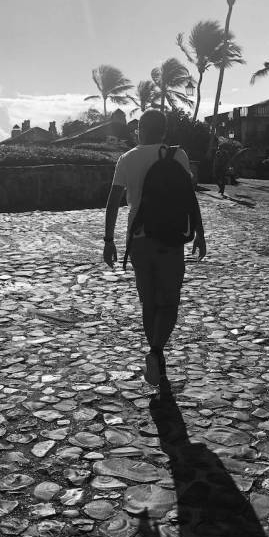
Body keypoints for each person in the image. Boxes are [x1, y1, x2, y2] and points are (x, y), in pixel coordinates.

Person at [103, 109, 207, 386]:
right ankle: (156, 352)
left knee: (148, 302)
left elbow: (112, 202)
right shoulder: (177, 155)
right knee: (169, 302)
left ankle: (155, 357)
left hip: (138, 239)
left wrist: (108, 241)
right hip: (170, 237)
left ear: (140, 129)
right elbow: (189, 196)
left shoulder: (127, 159)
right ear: (164, 131)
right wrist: (200, 233)